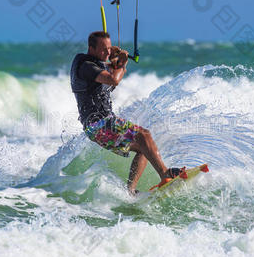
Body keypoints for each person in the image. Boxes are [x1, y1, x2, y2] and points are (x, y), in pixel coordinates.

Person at [70, 31, 182, 194]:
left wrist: (117, 62)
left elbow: (115, 73)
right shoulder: (86, 66)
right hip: (99, 124)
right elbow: (114, 79)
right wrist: (121, 62)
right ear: (91, 48)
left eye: (109, 48)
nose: (107, 52)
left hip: (100, 125)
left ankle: (130, 191)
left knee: (146, 147)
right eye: (103, 49)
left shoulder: (96, 64)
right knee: (144, 135)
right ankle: (165, 173)